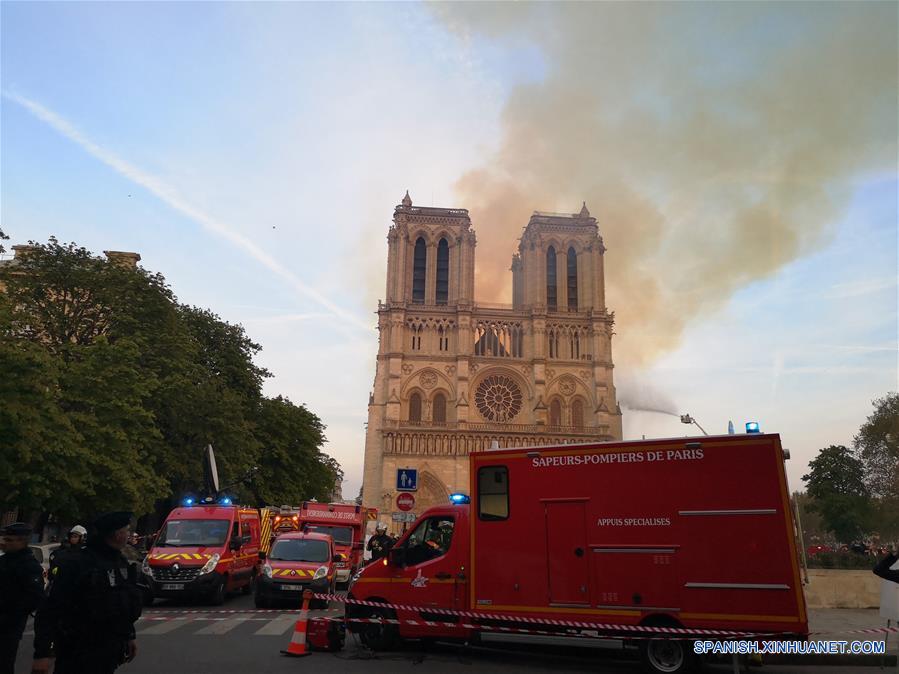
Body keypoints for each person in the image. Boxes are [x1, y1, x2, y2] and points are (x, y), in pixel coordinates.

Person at [32, 512, 143, 674]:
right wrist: (42, 654)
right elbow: (51, 609)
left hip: (108, 649)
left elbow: (122, 604)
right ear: (117, 535)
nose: (129, 534)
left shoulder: (120, 562)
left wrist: (129, 635)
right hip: (78, 647)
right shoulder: (80, 563)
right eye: (126, 530)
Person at [0, 523, 45, 674]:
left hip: (8, 626)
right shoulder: (4, 561)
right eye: (5, 539)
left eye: (10, 540)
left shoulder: (29, 566)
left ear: (22, 541)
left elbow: (34, 598)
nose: (5, 543)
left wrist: (9, 614)